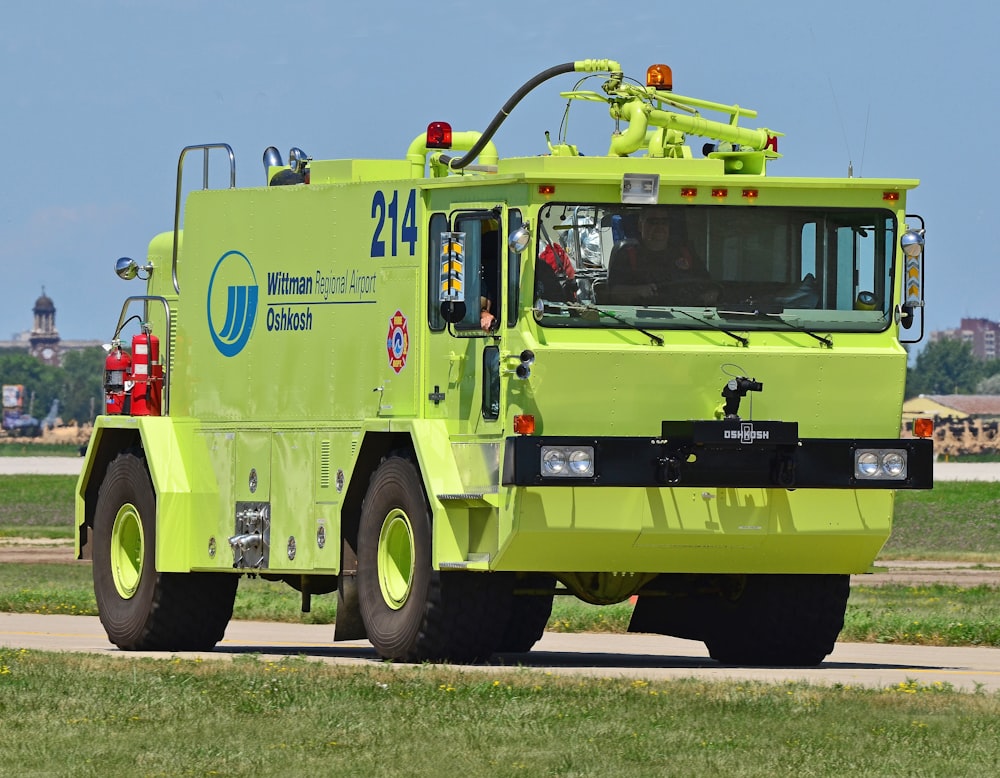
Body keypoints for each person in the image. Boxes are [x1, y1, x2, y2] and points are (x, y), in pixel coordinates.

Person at [606, 209, 714, 305]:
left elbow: (710, 286)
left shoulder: (686, 253)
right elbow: (613, 293)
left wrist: (710, 295)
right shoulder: (627, 253)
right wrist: (638, 291)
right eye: (653, 222)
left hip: (688, 318)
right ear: (640, 225)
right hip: (639, 320)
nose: (659, 227)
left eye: (664, 222)